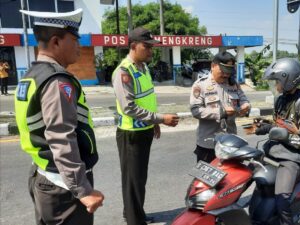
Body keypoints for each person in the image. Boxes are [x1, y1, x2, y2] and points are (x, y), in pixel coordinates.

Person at [15, 9, 104, 225]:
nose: (79, 46)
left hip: (45, 175)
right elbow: (61, 137)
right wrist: (83, 190)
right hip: (63, 189)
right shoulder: (57, 81)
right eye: (74, 39)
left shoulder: (31, 76)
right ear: (56, 42)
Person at [111, 27, 180, 225]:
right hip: (130, 134)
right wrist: (159, 119)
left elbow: (147, 98)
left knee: (139, 178)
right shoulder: (124, 72)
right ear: (133, 46)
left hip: (144, 130)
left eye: (152, 47)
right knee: (133, 181)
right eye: (147, 46)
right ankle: (135, 220)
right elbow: (129, 108)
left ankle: (135, 213)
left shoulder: (143, 68)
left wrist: (153, 124)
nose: (151, 51)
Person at [245, 58, 300, 225]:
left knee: (282, 198)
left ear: (288, 80)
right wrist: (265, 127)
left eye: (277, 81)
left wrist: (282, 135)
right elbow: (279, 123)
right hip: (273, 150)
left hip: (292, 157)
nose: (275, 85)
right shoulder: (280, 99)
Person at [190, 51, 251, 163]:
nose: (226, 75)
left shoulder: (233, 84)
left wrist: (246, 106)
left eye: (229, 72)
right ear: (213, 66)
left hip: (230, 143)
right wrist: (221, 112)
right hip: (208, 144)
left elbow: (244, 99)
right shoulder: (200, 85)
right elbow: (195, 110)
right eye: (223, 71)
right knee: (206, 179)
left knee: (230, 179)